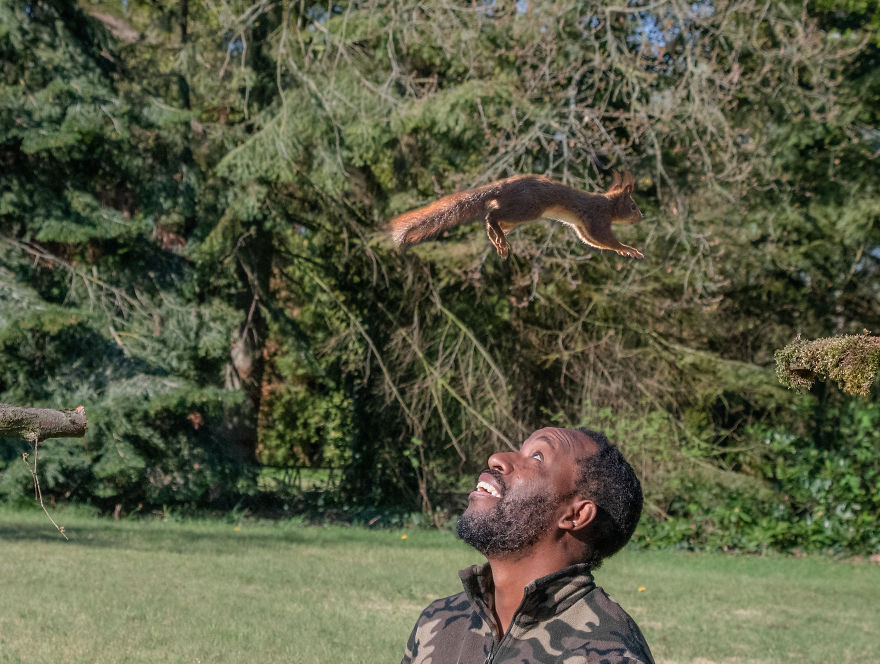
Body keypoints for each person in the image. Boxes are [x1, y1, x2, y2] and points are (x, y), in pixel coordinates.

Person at [401, 426, 655, 664]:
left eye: (537, 457)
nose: (496, 459)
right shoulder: (439, 622)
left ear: (575, 516)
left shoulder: (606, 654)